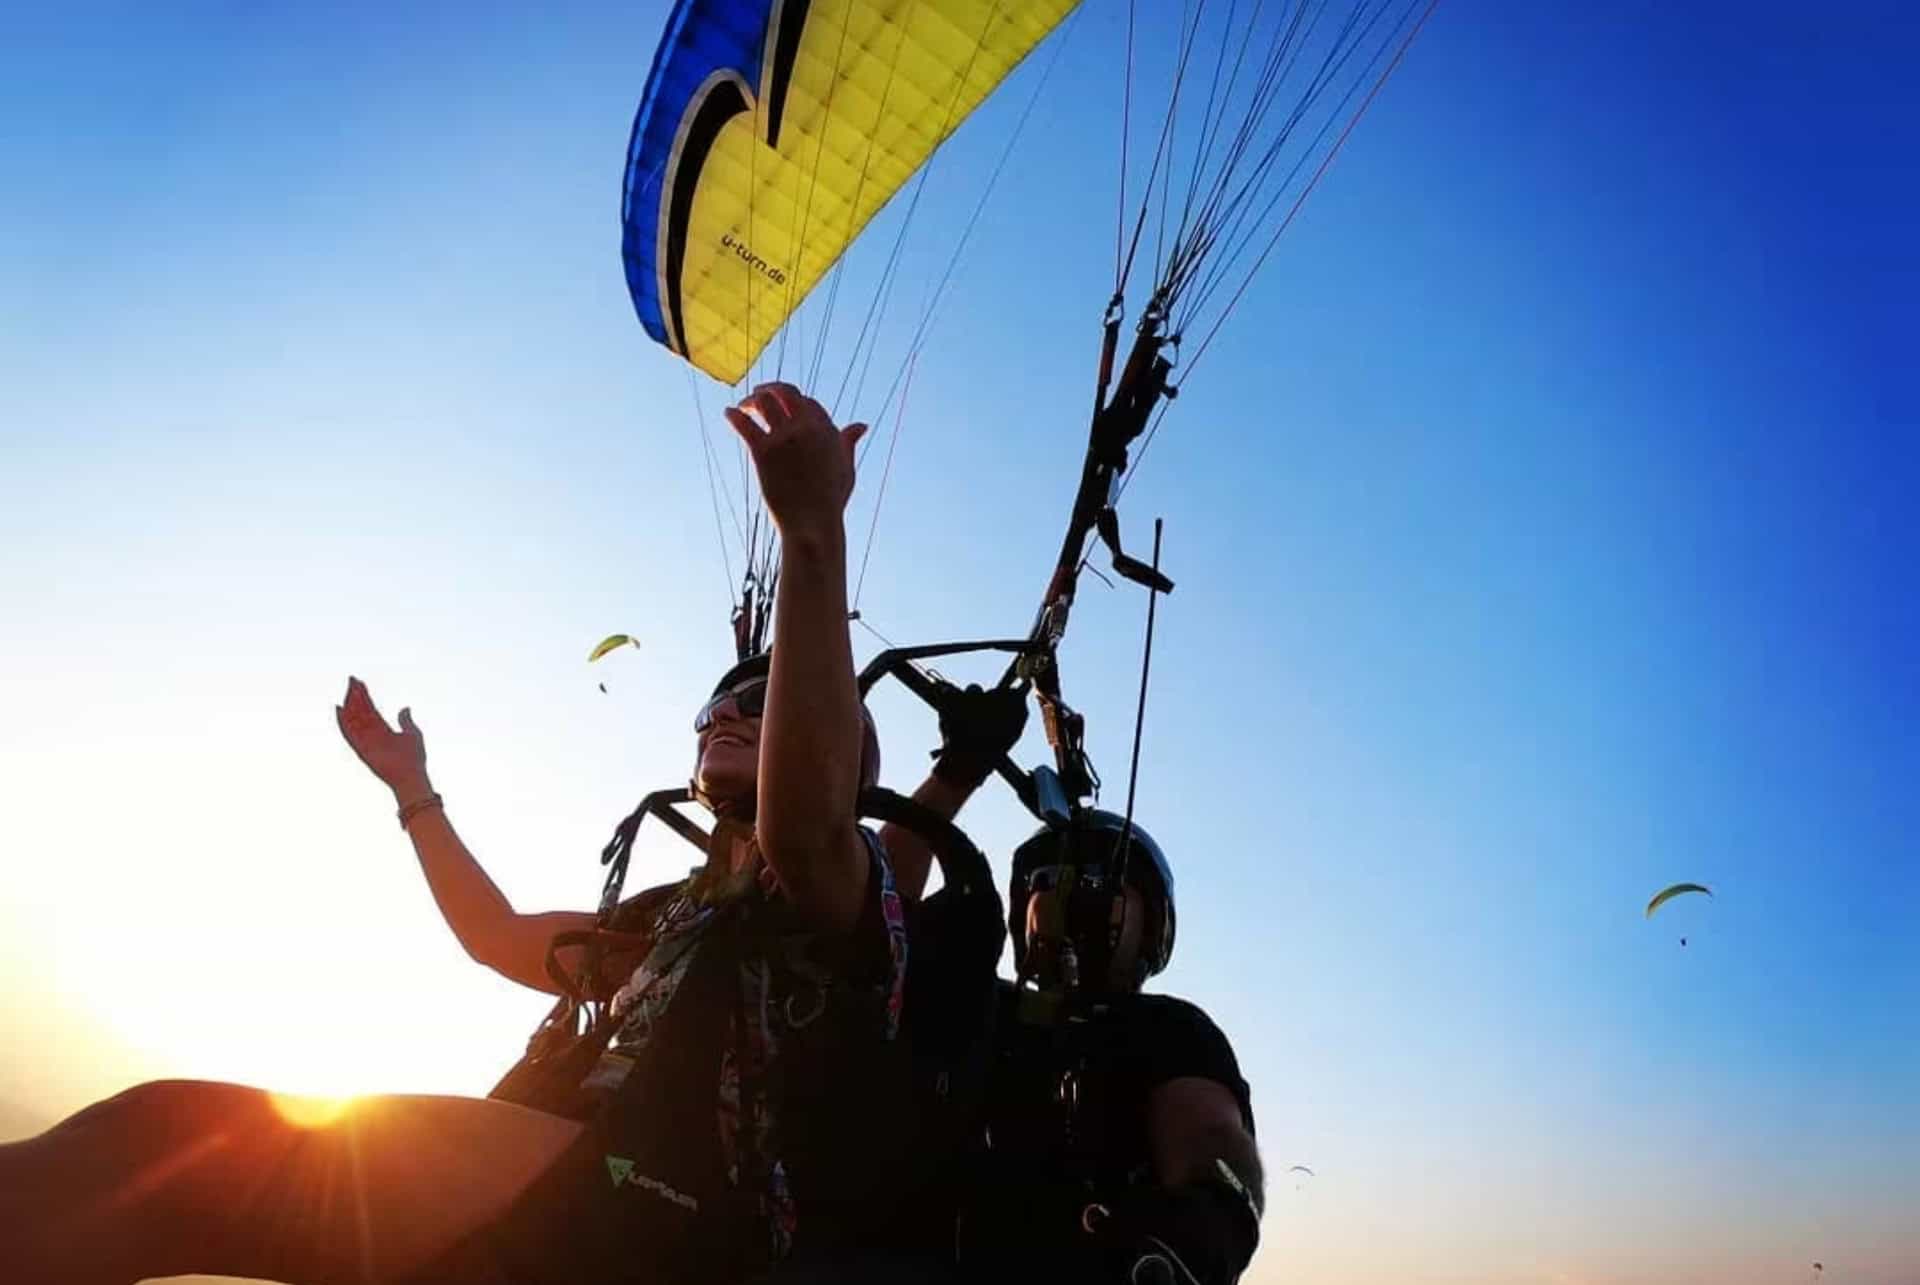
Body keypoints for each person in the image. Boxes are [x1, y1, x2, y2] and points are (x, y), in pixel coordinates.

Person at [0, 382, 934, 1285]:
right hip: (593, 1187)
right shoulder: (664, 925)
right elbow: (493, 934)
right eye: (714, 707)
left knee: (157, 1152)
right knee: (140, 1144)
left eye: (761, 705)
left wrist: (814, 537)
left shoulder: (838, 899)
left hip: (677, 1217)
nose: (726, 716)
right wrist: (415, 791)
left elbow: (805, 829)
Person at [883, 691, 1265, 1284]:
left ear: (1152, 928)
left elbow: (1211, 1151)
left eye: (1095, 877)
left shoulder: (1170, 1029)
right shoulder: (973, 1004)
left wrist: (1184, 1240)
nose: (1066, 894)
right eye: (1044, 879)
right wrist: (953, 777)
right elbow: (870, 918)